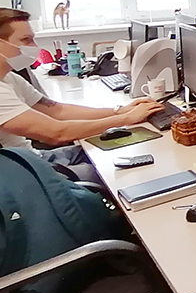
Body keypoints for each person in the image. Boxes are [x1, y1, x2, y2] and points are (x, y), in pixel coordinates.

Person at [0, 9, 164, 180]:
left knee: (120, 149)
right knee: (119, 174)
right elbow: (56, 133)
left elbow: (57, 110)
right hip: (23, 175)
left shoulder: (9, 78)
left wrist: (120, 111)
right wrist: (127, 119)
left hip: (34, 159)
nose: (34, 47)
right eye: (26, 40)